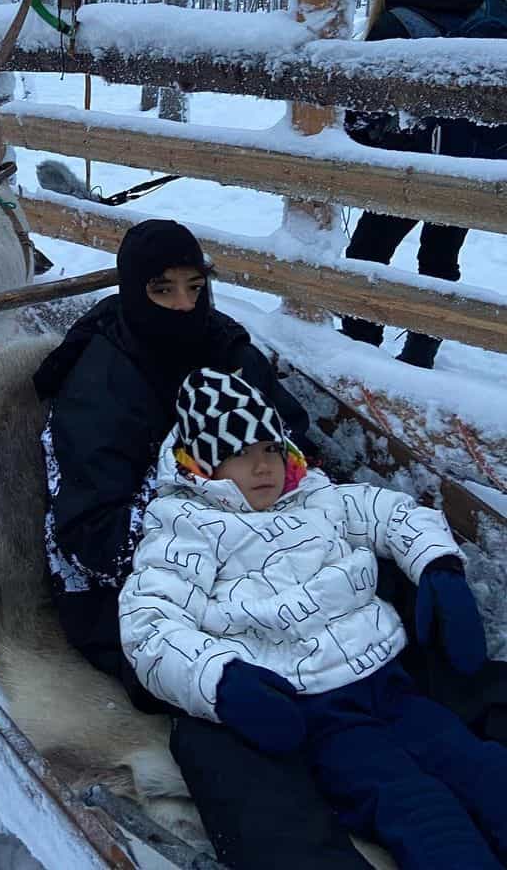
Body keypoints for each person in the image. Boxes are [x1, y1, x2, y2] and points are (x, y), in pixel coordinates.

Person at [33, 220, 371, 869]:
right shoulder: (104, 383)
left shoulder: (228, 352)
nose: (185, 306)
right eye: (164, 290)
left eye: (195, 286)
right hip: (138, 588)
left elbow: (292, 444)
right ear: (137, 293)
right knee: (233, 700)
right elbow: (89, 536)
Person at [119, 367, 506, 870]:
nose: (262, 467)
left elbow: (393, 514)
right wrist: (220, 680)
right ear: (204, 466)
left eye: (269, 449)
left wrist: (439, 567)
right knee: (414, 803)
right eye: (239, 453)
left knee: (480, 768)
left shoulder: (317, 495)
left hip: (390, 684)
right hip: (317, 714)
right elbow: (149, 621)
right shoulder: (187, 529)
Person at [340, 0, 507, 369]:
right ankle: (420, 354)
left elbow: (363, 111)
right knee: (440, 257)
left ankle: (361, 345)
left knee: (367, 252)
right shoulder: (496, 8)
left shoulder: (396, 22)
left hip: (412, 165)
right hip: (476, 161)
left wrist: (362, 141)